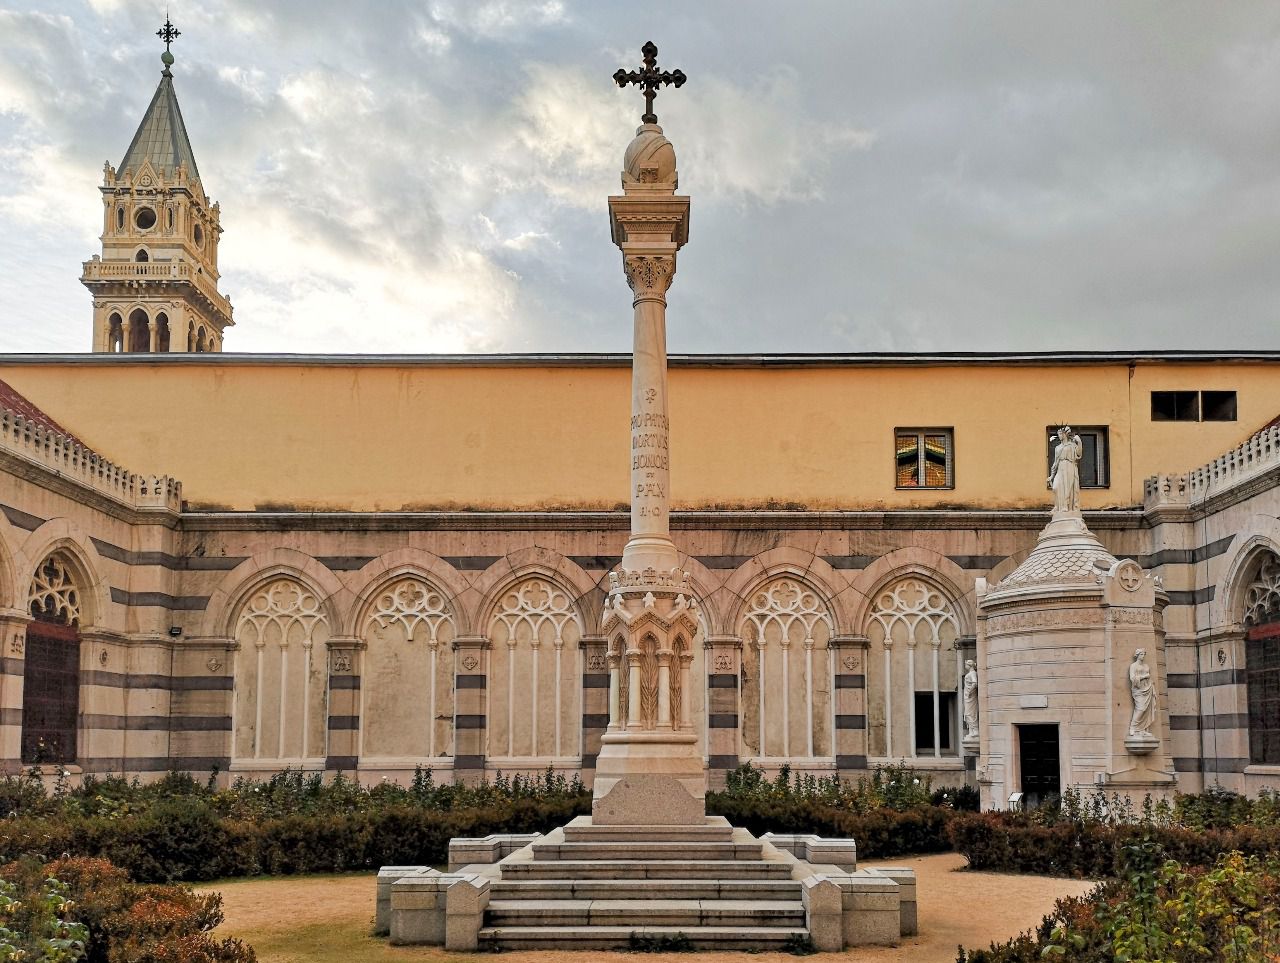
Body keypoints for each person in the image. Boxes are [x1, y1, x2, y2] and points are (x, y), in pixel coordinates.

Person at [1049, 426, 1083, 515]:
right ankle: (1057, 506)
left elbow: (1079, 454)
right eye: (1058, 434)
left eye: (1060, 434)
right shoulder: (1057, 447)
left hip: (1069, 465)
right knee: (1056, 487)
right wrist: (1052, 476)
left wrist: (1079, 442)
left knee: (1068, 487)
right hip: (1060, 467)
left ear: (1065, 434)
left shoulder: (1072, 445)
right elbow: (1055, 462)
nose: (1059, 436)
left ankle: (1066, 507)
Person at [1128, 649, 1155, 737]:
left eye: (1144, 654)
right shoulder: (1133, 666)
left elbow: (1149, 677)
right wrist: (1144, 676)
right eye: (1141, 654)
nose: (1143, 656)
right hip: (1138, 690)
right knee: (1141, 708)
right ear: (1137, 655)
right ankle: (1133, 727)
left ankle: (1142, 729)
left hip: (1148, 688)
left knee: (1146, 709)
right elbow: (1132, 678)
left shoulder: (1146, 666)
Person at [962, 659, 979, 738]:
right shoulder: (970, 673)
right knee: (967, 713)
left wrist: (969, 692)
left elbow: (974, 683)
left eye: (966, 664)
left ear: (970, 665)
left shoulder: (973, 673)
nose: (965, 666)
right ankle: (971, 731)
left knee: (970, 713)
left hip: (971, 696)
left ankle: (975, 730)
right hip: (967, 696)